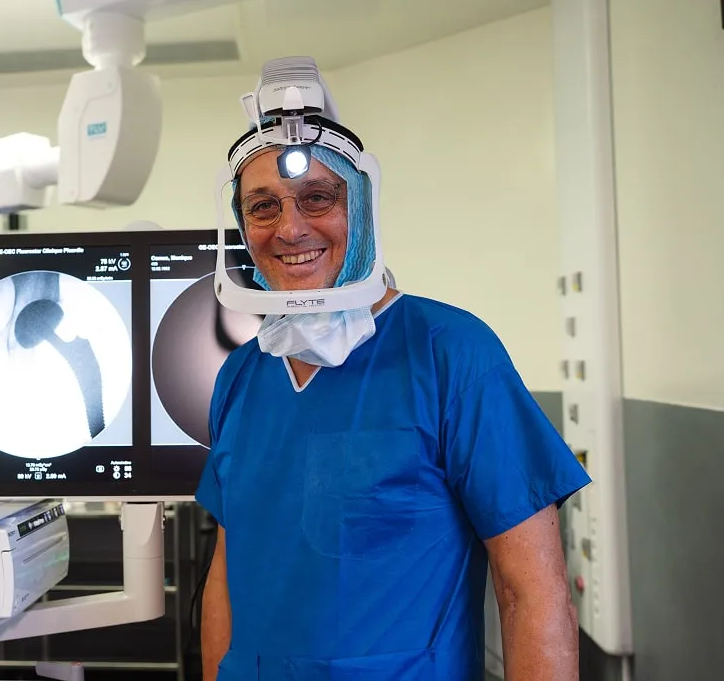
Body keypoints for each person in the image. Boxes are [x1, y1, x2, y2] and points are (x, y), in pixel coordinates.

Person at [196, 59, 591, 680]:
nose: (290, 227)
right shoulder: (242, 375)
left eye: (317, 198)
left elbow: (532, 594)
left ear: (363, 208)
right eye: (263, 207)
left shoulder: (452, 353)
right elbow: (228, 566)